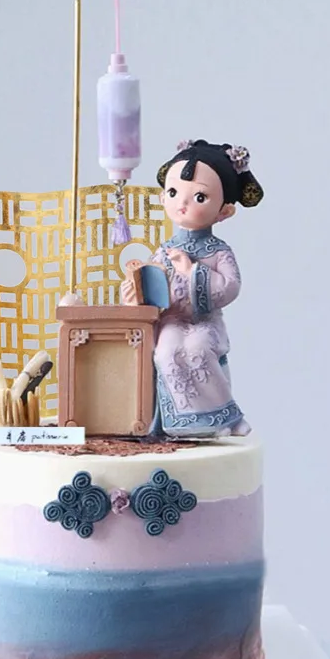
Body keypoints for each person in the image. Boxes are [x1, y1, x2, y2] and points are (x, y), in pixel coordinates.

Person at [121, 139, 264, 438]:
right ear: (163, 197)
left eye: (199, 196)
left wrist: (192, 271)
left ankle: (226, 417)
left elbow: (230, 287)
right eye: (173, 193)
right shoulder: (164, 250)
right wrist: (135, 292)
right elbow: (152, 285)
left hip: (204, 321)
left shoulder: (218, 251)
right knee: (166, 351)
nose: (182, 203)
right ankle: (177, 422)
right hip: (172, 320)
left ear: (224, 211)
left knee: (198, 347)